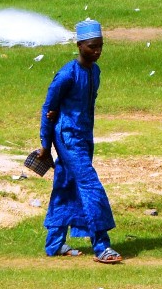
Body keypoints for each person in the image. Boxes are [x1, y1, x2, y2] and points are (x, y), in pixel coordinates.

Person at [40, 19, 121, 263]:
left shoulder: (95, 72)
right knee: (91, 185)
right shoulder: (66, 75)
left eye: (100, 46)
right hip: (67, 138)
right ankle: (102, 246)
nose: (97, 51)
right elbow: (48, 108)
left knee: (64, 185)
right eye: (92, 46)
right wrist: (45, 144)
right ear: (79, 45)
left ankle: (54, 244)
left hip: (84, 138)